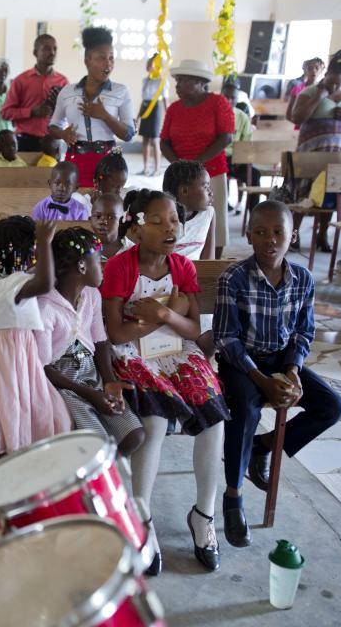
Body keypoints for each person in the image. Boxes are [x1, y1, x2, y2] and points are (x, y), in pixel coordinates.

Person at [101, 190, 230, 575]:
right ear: (137, 230)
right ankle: (141, 517)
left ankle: (204, 514)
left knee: (214, 420)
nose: (169, 227)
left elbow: (193, 328)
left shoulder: (183, 267)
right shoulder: (120, 267)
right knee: (154, 424)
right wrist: (163, 315)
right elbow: (117, 333)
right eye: (157, 221)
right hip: (135, 356)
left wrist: (161, 314)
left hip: (176, 351)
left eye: (173, 219)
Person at [214, 200, 341, 548]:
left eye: (278, 232)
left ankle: (264, 447)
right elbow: (226, 339)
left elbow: (304, 332)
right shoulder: (234, 278)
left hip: (281, 361)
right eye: (260, 232)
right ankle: (233, 497)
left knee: (332, 407)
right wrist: (263, 381)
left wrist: (292, 372)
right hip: (242, 363)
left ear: (292, 236)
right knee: (245, 409)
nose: (270, 240)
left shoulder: (301, 278)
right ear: (249, 235)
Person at [39, 227, 144, 456]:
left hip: (90, 373)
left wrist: (109, 382)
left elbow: (100, 342)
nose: (104, 265)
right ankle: (93, 478)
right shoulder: (46, 306)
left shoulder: (91, 295)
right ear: (82, 266)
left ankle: (99, 475)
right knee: (96, 444)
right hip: (61, 382)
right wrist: (91, 395)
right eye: (99, 259)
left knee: (134, 435)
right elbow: (43, 367)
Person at [0, 218, 70, 454]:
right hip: (13, 358)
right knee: (18, 414)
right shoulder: (16, 283)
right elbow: (46, 282)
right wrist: (45, 241)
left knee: (18, 415)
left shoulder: (2, 281)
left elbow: (36, 272)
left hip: (11, 354)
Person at [160, 58, 234, 259]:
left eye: (183, 80)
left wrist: (197, 164)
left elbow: (226, 136)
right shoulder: (174, 109)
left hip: (211, 173)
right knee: (175, 219)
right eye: (177, 80)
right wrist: (179, 165)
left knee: (213, 218)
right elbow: (164, 141)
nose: (178, 85)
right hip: (180, 176)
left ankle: (212, 265)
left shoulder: (218, 103)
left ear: (200, 82)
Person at [290, 54, 341, 254]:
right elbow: (297, 117)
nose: (334, 87)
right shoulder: (310, 92)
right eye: (331, 82)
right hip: (311, 151)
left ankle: (322, 234)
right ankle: (294, 233)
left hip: (337, 153)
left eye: (338, 83)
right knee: (304, 194)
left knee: (329, 194)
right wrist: (319, 97)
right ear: (326, 74)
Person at [48, 27, 135, 186]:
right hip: (75, 162)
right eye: (102, 58)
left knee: (104, 208)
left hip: (109, 166)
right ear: (87, 60)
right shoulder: (67, 92)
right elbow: (53, 126)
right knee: (76, 206)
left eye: (111, 58)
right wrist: (63, 134)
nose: (108, 63)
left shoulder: (120, 91)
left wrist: (105, 116)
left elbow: (129, 134)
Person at [1, 34, 68, 152]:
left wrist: (59, 105)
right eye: (47, 48)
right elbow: (6, 113)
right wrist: (31, 112)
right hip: (25, 142)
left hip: (54, 143)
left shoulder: (63, 82)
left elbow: (70, 114)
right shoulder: (20, 80)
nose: (52, 52)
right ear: (35, 52)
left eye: (55, 48)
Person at [159, 160, 215, 260]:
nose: (211, 193)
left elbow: (209, 260)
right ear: (184, 191)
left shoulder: (208, 214)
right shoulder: (159, 219)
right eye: (206, 187)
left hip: (197, 273)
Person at [222, 78, 258, 216]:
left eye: (233, 98)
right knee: (219, 174)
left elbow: (246, 144)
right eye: (227, 97)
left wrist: (240, 158)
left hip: (236, 159)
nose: (230, 101)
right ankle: (222, 207)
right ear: (221, 97)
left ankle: (253, 214)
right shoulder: (214, 115)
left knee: (255, 175)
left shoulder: (242, 117)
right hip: (218, 158)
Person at [138, 54, 169, 176]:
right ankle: (145, 168)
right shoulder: (145, 81)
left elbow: (165, 100)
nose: (150, 66)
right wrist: (138, 116)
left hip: (155, 108)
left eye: (153, 64)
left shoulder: (162, 81)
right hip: (146, 108)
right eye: (149, 64)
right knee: (145, 140)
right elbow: (143, 99)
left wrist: (168, 115)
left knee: (155, 140)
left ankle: (157, 169)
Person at [285, 58, 325, 125]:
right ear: (305, 70)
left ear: (321, 70)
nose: (313, 71)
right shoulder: (297, 88)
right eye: (310, 68)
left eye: (317, 68)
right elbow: (289, 115)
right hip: (300, 127)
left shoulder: (323, 89)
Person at [90, 192, 125, 261]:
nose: (102, 221)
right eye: (98, 216)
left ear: (122, 221)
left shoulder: (131, 251)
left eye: (111, 217)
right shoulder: (83, 249)